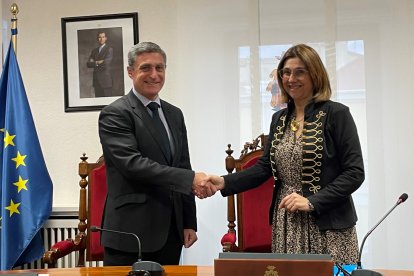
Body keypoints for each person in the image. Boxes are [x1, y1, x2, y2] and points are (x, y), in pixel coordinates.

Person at [206, 44, 364, 264]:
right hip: (287, 223)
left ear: (315, 74)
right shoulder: (279, 119)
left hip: (329, 226)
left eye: (300, 71)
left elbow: (354, 173)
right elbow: (264, 168)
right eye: (286, 72)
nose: (291, 78)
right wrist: (224, 182)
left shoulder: (337, 114)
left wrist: (312, 201)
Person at [98, 41, 216, 266]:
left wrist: (188, 221)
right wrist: (191, 179)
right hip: (130, 233)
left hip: (170, 232)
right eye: (146, 68)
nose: (154, 74)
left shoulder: (174, 114)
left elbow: (183, 164)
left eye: (159, 68)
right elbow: (132, 164)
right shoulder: (115, 113)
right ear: (130, 72)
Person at [87, 31, 113, 97]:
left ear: (106, 38)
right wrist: (98, 62)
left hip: (106, 81)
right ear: (97, 39)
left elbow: (106, 63)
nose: (101, 39)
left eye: (103, 37)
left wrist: (94, 62)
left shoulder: (109, 49)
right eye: (99, 37)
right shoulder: (94, 51)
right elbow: (89, 64)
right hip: (96, 81)